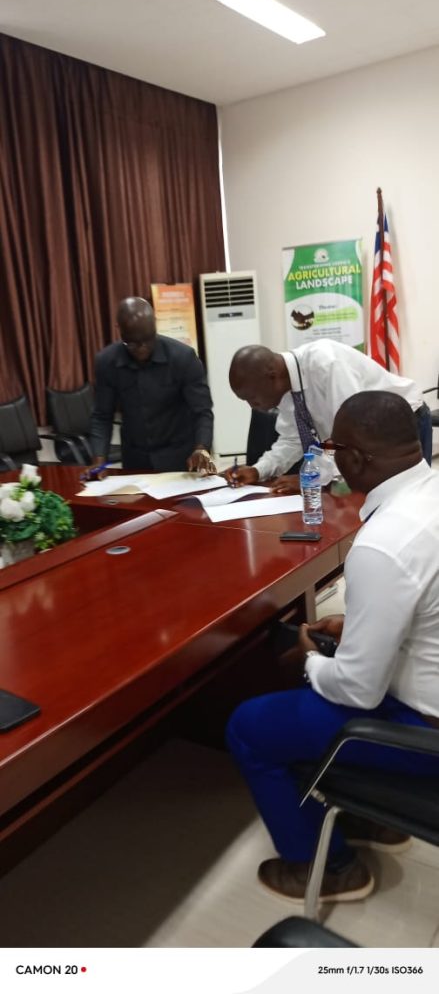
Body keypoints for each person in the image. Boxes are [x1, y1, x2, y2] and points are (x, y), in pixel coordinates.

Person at [226, 391, 439, 904]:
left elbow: (359, 691)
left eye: (332, 448)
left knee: (249, 726)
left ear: (356, 458)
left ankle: (331, 871)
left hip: (425, 732)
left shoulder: (384, 542)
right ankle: (376, 820)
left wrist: (310, 660)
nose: (329, 457)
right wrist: (360, 625)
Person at [224, 339, 432, 491]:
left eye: (252, 398)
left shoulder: (326, 362)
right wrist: (258, 470)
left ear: (272, 377)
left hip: (401, 425)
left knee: (406, 497)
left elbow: (353, 434)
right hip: (368, 438)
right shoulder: (287, 389)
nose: (252, 406)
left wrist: (311, 479)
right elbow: (292, 440)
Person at [88, 297, 215, 474]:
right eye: (132, 343)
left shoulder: (183, 357)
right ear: (119, 330)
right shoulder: (107, 362)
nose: (142, 348)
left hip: (180, 457)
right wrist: (99, 460)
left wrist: (201, 448)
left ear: (155, 324)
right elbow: (102, 416)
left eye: (148, 339)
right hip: (135, 459)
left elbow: (202, 411)